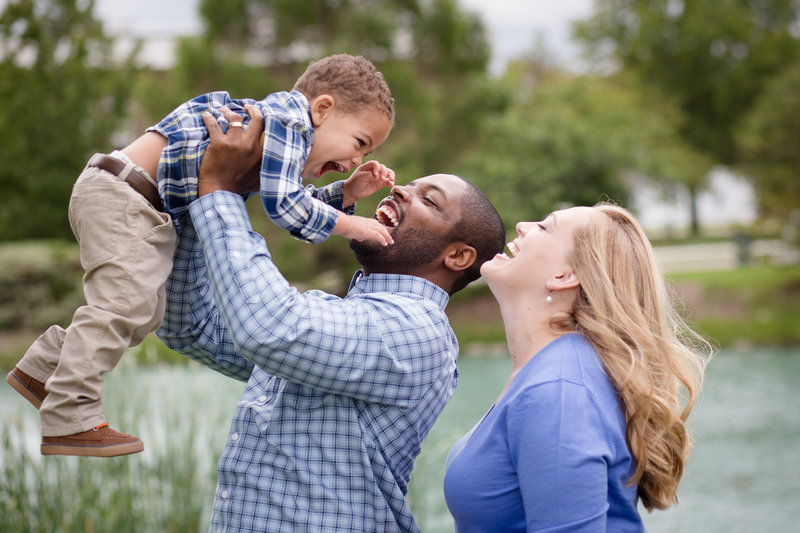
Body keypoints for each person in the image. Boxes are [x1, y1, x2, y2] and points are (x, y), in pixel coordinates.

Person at [6, 54, 397, 457]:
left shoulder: (277, 131)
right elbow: (286, 206)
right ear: (322, 109)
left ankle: (45, 372)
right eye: (360, 143)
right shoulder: (289, 123)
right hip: (124, 195)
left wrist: (346, 194)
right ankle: (71, 418)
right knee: (124, 304)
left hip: (134, 201)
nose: (357, 160)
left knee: (143, 310)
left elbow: (289, 198)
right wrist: (352, 225)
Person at [156, 104, 506, 532]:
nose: (400, 192)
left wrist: (219, 191)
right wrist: (215, 192)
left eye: (429, 200)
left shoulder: (418, 332)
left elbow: (269, 329)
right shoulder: (340, 315)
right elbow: (191, 328)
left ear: (458, 256)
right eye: (408, 186)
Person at [443, 204, 712, 532]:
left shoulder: (557, 390)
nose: (522, 225)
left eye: (545, 227)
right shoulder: (552, 374)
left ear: (565, 276)